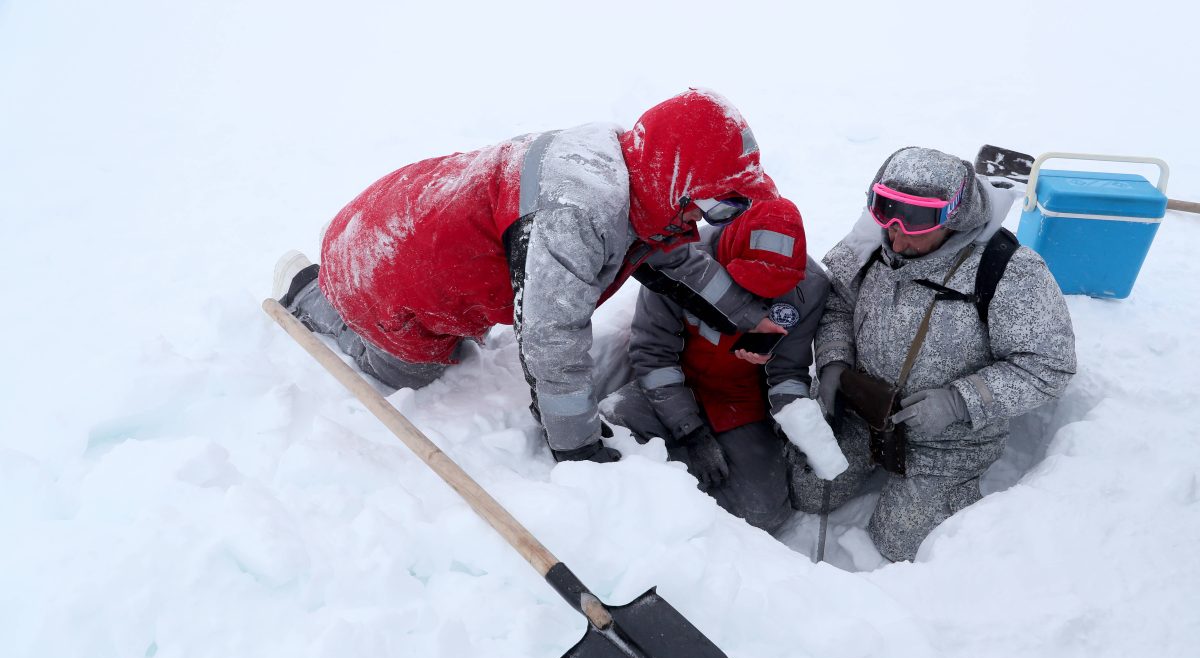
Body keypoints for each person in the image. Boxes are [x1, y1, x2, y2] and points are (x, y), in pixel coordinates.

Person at [272, 89, 782, 465]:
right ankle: (311, 293)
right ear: (673, 179)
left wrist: (745, 319)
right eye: (719, 203)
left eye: (732, 207)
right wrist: (577, 446)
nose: (713, 220)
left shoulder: (636, 180)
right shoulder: (576, 212)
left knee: (459, 338)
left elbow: (675, 262)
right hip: (380, 262)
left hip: (407, 219)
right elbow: (551, 337)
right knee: (412, 370)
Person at [792, 146, 1076, 562]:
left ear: (955, 218)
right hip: (862, 410)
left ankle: (952, 489)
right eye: (886, 216)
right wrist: (835, 360)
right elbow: (837, 301)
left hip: (947, 440)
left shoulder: (1009, 271)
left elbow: (1049, 366)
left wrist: (962, 400)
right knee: (807, 491)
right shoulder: (872, 243)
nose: (897, 237)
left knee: (899, 540)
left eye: (916, 225)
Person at [601, 197, 829, 533]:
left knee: (765, 514)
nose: (759, 302)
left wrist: (792, 421)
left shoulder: (811, 287)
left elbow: (789, 373)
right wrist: (690, 431)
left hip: (739, 402)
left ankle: (686, 503)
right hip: (669, 388)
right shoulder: (680, 259)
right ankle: (658, 507)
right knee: (607, 431)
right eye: (750, 287)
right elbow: (652, 354)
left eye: (772, 291)